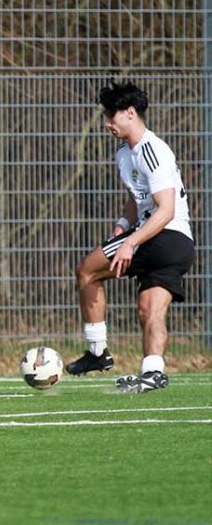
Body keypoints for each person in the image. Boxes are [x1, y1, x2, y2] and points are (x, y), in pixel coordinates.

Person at [68, 81, 195, 393]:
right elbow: (139, 198)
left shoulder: (153, 151)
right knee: (149, 310)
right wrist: (124, 223)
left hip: (164, 236)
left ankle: (98, 353)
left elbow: (165, 210)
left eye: (112, 115)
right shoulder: (125, 152)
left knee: (87, 270)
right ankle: (152, 371)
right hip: (177, 245)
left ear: (131, 112)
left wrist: (131, 241)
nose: (107, 122)